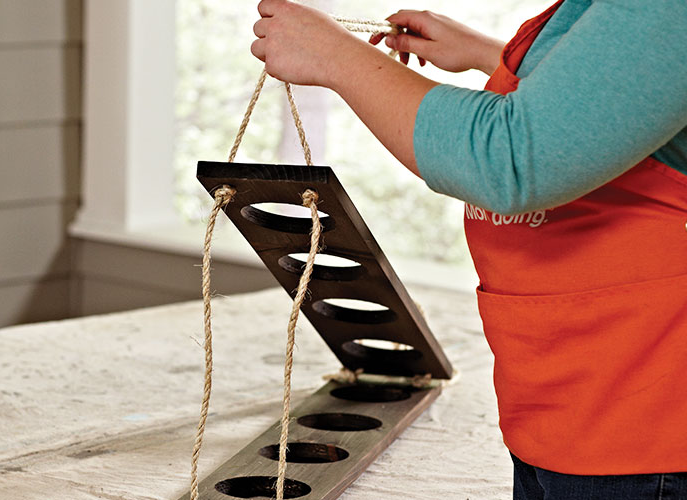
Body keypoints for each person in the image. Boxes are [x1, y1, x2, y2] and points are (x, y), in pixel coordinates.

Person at [251, 1, 687, 498]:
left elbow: (514, 156)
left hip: (647, 427)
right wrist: (489, 55)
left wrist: (334, 56)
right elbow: (611, 106)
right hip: (569, 405)